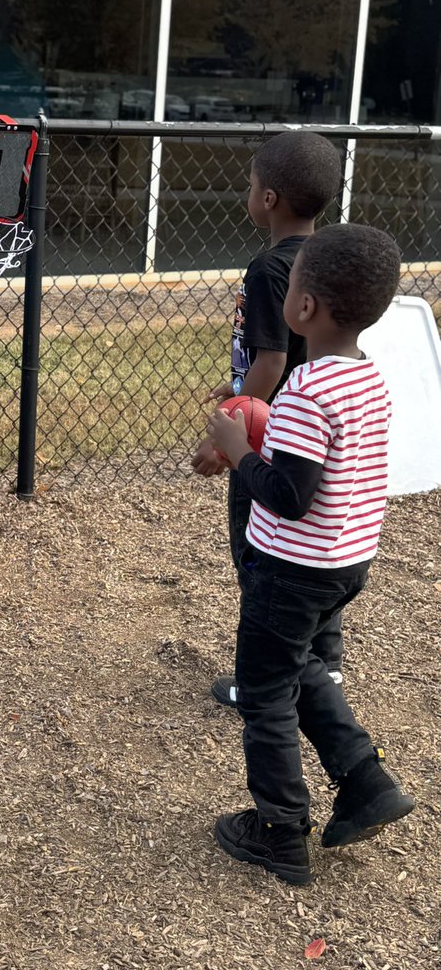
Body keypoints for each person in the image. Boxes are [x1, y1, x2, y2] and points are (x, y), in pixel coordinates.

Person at [205, 223, 415, 885]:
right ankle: (366, 782)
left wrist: (238, 449)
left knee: (266, 694)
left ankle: (279, 829)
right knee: (303, 671)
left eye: (293, 286)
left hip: (290, 571)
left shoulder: (305, 392)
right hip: (344, 564)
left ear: (303, 309)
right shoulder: (367, 381)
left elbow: (288, 497)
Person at [191, 131, 343, 707]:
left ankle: (264, 680)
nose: (246, 193)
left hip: (268, 435)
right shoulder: (326, 260)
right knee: (308, 553)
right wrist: (235, 382)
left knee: (258, 560)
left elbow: (274, 361)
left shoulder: (266, 269)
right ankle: (323, 673)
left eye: (251, 185)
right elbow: (290, 355)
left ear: (271, 198)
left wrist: (228, 433)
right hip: (314, 427)